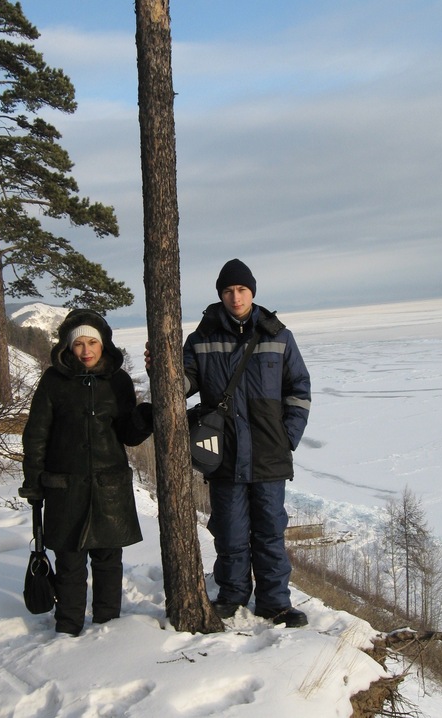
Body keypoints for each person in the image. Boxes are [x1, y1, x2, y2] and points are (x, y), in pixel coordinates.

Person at [146, 259, 311, 627]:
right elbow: (182, 384)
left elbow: (298, 389)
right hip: (222, 453)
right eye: (228, 290)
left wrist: (288, 437)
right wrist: (160, 368)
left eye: (241, 290)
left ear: (252, 292)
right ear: (220, 294)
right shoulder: (202, 338)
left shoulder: (278, 335)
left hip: (269, 454)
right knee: (230, 531)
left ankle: (275, 602)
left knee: (270, 531)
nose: (235, 297)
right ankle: (233, 595)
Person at [20, 309, 153, 636]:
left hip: (109, 487)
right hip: (65, 488)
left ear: (103, 343)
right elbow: (37, 435)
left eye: (92, 341)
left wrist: (147, 414)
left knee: (109, 562)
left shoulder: (118, 381)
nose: (86, 350)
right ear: (69, 347)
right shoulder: (53, 381)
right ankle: (68, 628)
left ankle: (108, 626)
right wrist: (34, 483)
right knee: (70, 564)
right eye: (78, 343)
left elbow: (128, 434)